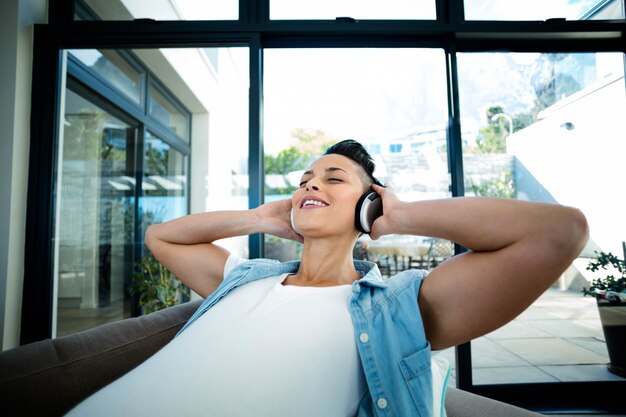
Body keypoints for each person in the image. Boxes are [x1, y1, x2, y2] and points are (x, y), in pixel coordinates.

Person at [65, 140, 588, 417]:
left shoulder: (396, 309)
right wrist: (259, 219)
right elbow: (162, 237)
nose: (312, 184)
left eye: (333, 178)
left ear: (367, 201)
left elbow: (558, 233)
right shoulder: (246, 278)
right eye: (305, 180)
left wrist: (397, 217)